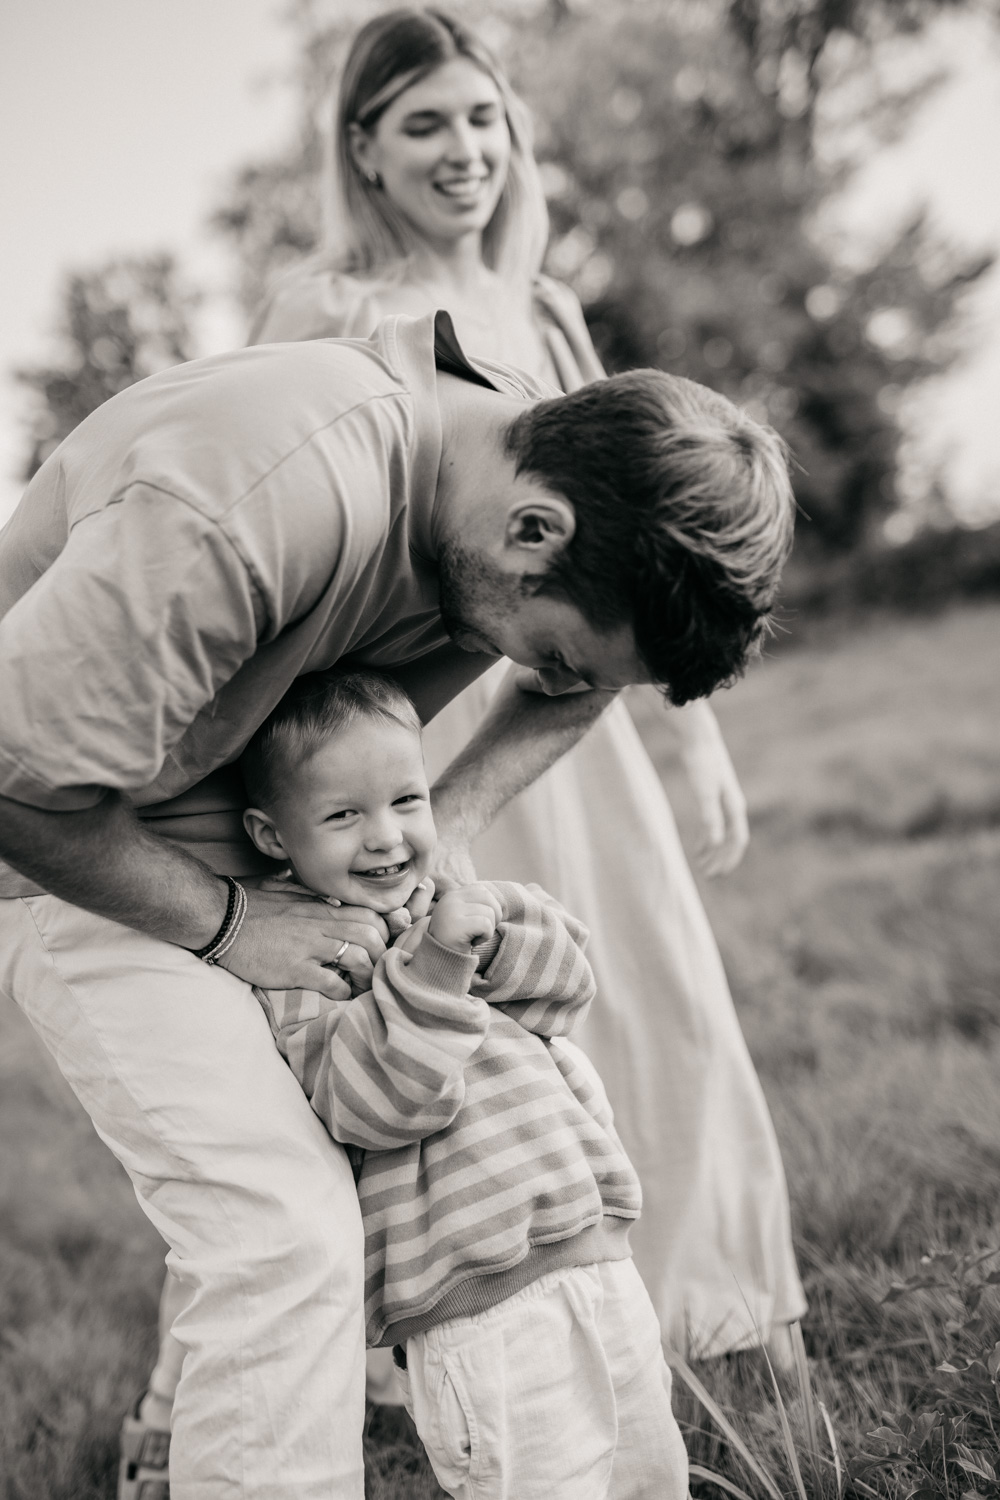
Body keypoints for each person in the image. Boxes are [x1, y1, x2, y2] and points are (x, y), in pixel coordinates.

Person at [0, 294, 794, 1499]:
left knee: (322, 1225)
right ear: (534, 528)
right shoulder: (245, 501)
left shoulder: (528, 459)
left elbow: (582, 689)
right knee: (281, 1232)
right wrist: (232, 924)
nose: (549, 679)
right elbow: (19, 782)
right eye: (558, 651)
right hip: (100, 856)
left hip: (298, 877)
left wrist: (450, 834)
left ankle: (180, 1454)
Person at [251, 6, 807, 1360]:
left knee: (646, 985)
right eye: (425, 123)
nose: (463, 151)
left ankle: (708, 1300)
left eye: (483, 117)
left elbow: (634, 550)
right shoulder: (319, 310)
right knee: (436, 1003)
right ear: (363, 152)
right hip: (408, 724)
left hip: (561, 717)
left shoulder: (547, 310)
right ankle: (461, 1320)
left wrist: (697, 742)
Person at [239, 666, 690, 1499]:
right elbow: (377, 1102)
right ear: (273, 836)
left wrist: (487, 937)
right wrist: (436, 965)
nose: (385, 838)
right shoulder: (305, 962)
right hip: (474, 1307)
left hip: (594, 1253)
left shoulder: (449, 896)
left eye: (406, 802)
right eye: (343, 815)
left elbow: (569, 983)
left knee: (652, 1474)